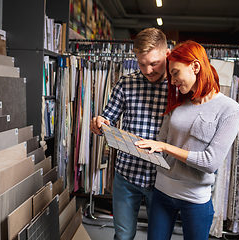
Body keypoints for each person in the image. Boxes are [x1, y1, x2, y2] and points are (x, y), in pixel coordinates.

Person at [134, 40, 239, 240]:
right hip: (162, 192)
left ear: (195, 66)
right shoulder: (178, 103)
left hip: (195, 199)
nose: (172, 81)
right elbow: (160, 142)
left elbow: (210, 162)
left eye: (175, 73)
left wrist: (165, 146)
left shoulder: (229, 109)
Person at [89, 28, 170, 240]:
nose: (148, 69)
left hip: (163, 178)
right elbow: (108, 119)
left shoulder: (178, 86)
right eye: (141, 64)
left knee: (159, 237)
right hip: (127, 173)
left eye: (154, 63)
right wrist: (100, 123)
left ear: (167, 54)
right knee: (123, 236)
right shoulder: (126, 83)